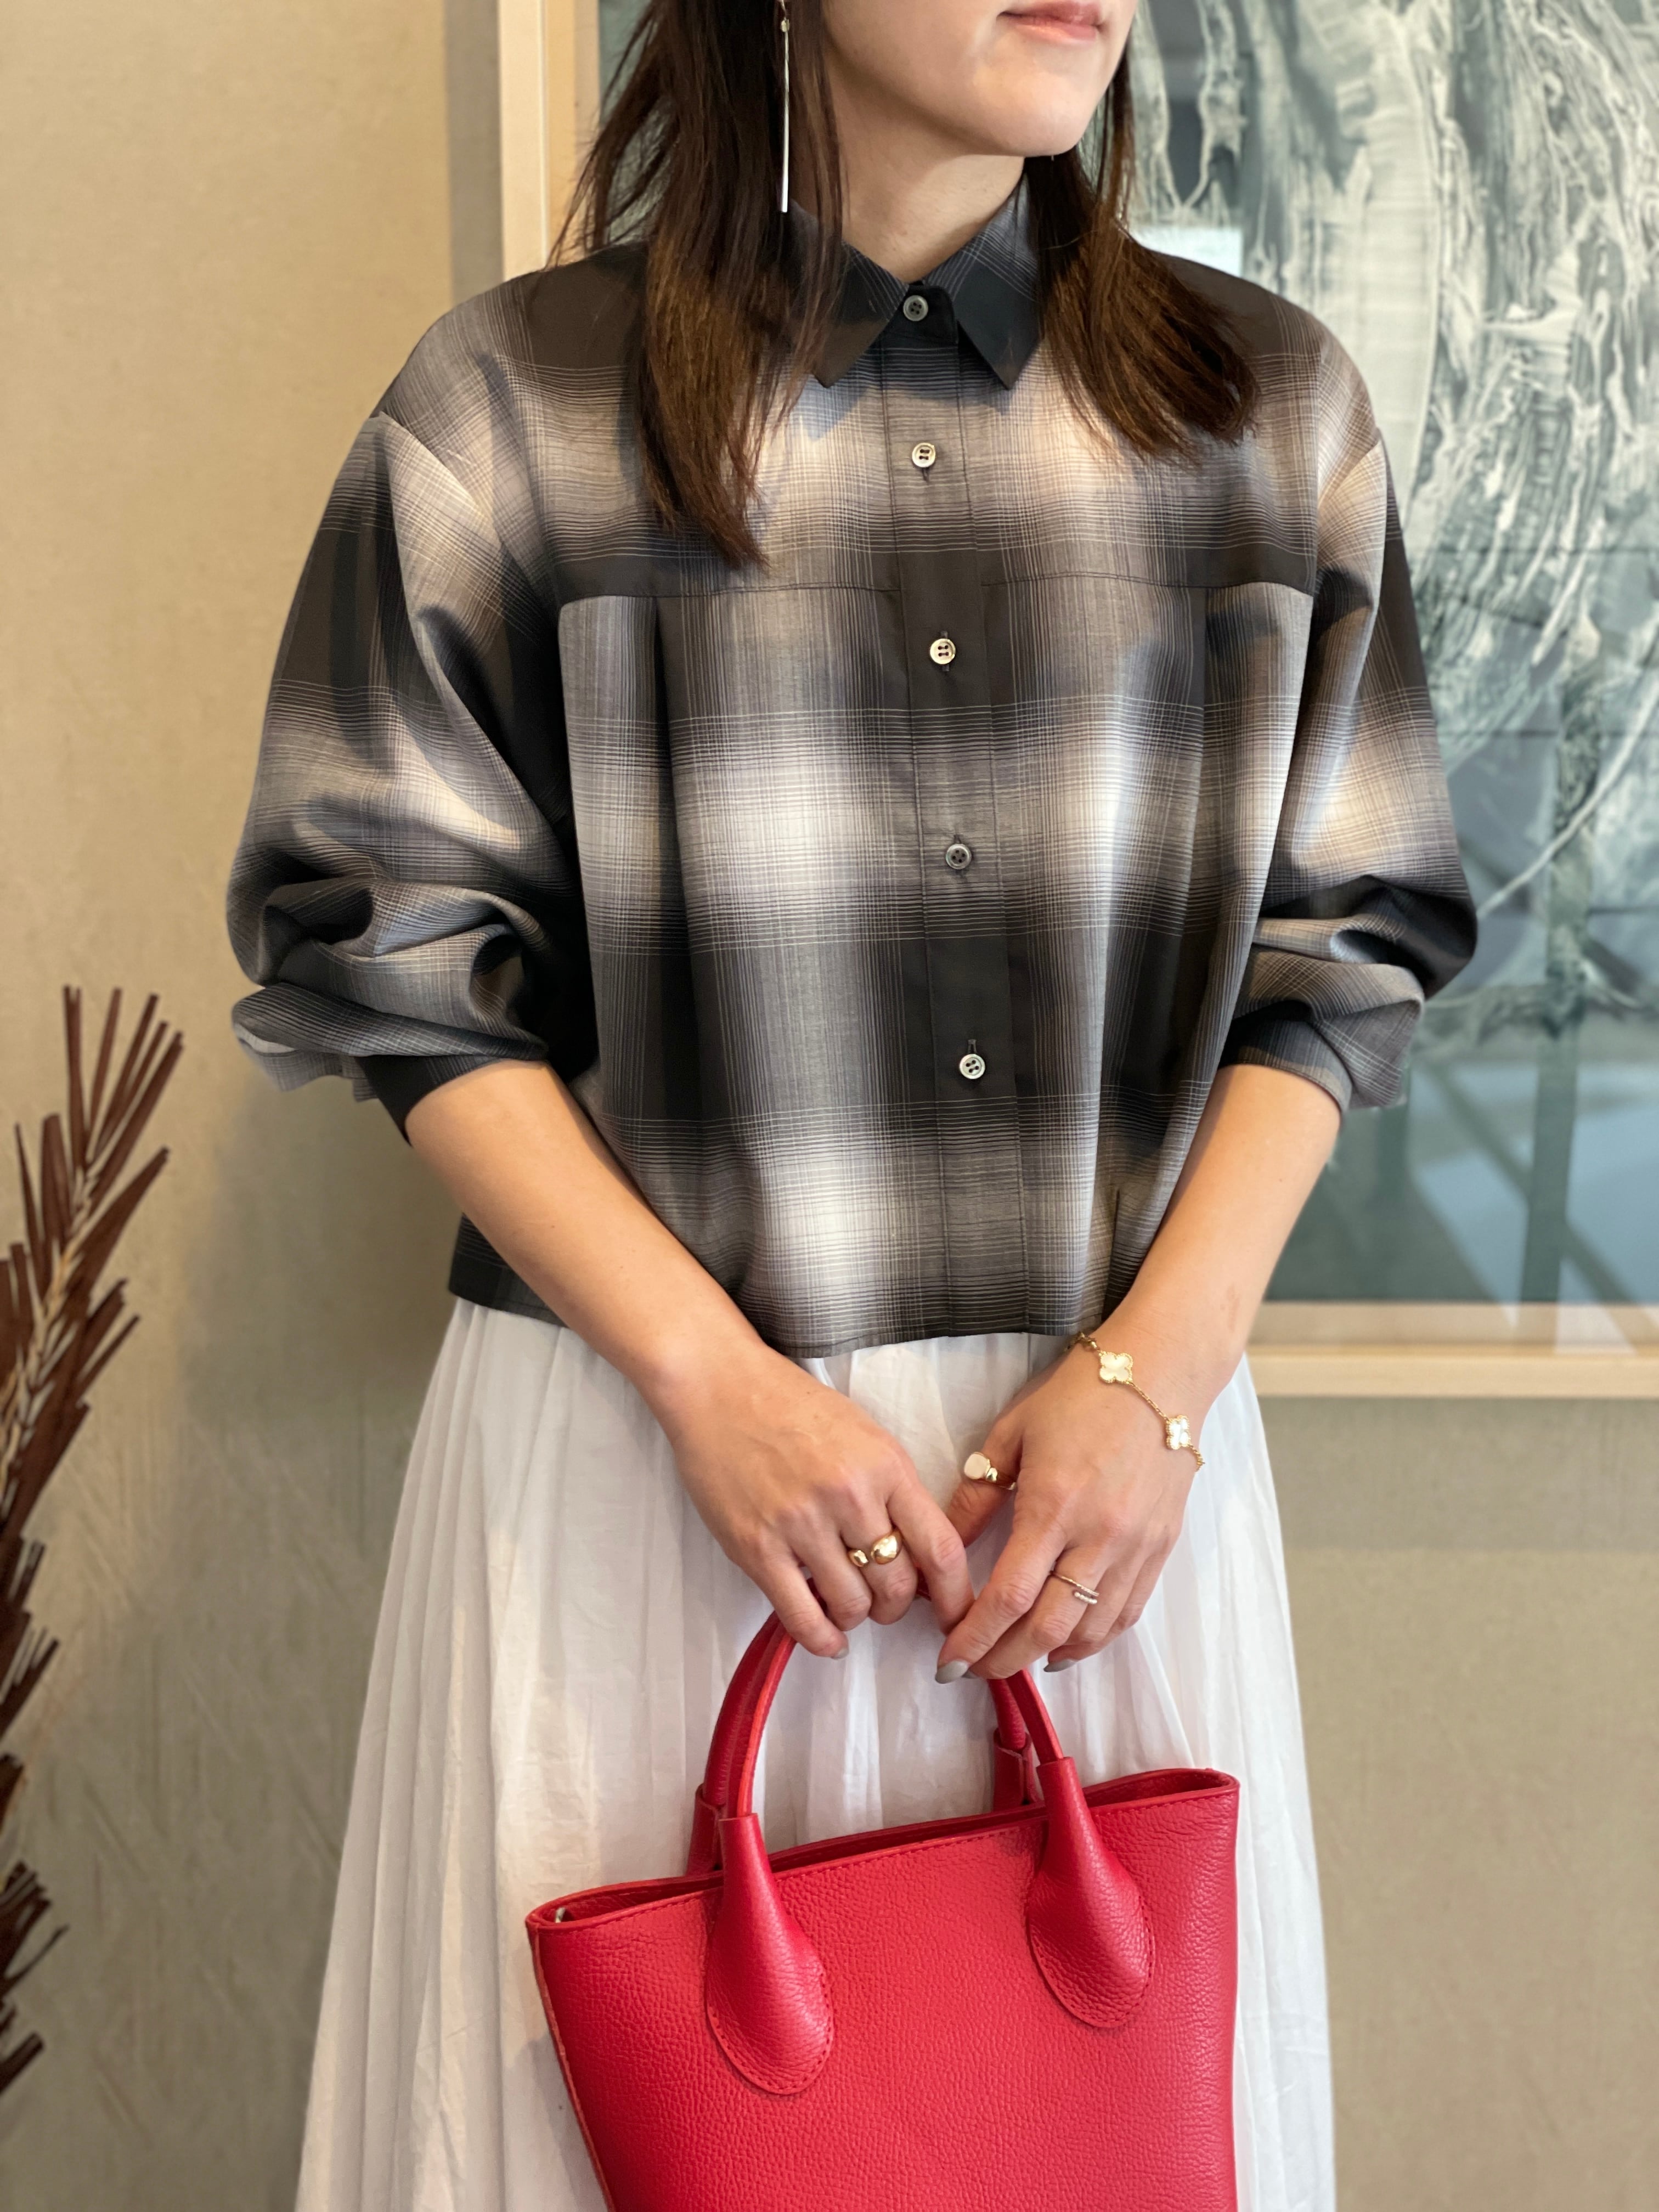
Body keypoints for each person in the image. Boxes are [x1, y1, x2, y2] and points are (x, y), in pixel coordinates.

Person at [228, 2, 1474, 2205]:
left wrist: (1158, 1384)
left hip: (1103, 1490)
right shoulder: (509, 409)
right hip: (648, 1466)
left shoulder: (1268, 414)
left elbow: (1345, 940)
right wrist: (709, 1380)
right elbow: (382, 950)